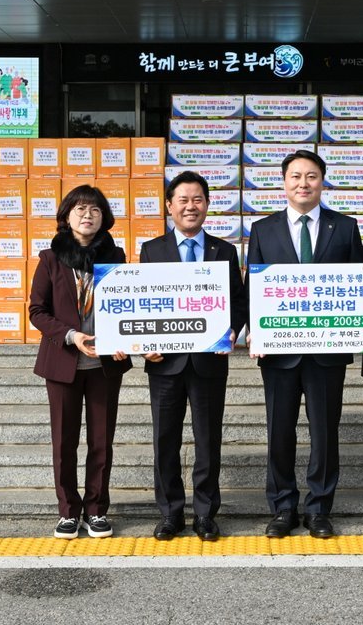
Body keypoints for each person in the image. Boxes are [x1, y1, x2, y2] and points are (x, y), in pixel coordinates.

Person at [246, 149, 363, 539]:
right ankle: (282, 507)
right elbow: (253, 288)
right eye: (295, 176)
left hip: (327, 352)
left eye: (311, 176)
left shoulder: (344, 227)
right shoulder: (263, 229)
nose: (303, 183)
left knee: (325, 433)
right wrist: (255, 329)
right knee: (279, 431)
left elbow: (360, 285)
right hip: (278, 351)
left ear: (322, 181)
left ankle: (318, 508)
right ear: (283, 183)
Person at [139, 171, 247, 542]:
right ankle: (170, 513)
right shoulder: (152, 250)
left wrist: (232, 329)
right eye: (183, 200)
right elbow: (142, 302)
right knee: (164, 440)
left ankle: (205, 513)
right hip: (164, 362)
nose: (190, 206)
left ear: (207, 205)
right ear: (169, 206)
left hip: (208, 362)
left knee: (208, 440)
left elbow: (238, 300)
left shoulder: (224, 251)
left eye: (197, 199)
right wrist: (144, 341)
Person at [29, 184, 131, 540]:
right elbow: (37, 311)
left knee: (102, 441)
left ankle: (97, 510)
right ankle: (69, 512)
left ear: (105, 218)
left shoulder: (115, 257)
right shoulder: (50, 259)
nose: (88, 215)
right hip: (63, 363)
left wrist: (122, 340)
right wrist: (72, 336)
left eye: (95, 210)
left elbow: (127, 306)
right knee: (64, 441)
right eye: (80, 209)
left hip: (105, 366)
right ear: (67, 216)